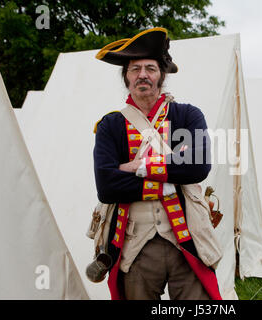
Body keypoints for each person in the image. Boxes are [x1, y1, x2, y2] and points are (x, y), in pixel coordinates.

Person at [93, 27, 222, 300]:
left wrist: (136, 167)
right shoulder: (111, 125)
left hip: (187, 238)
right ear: (126, 77)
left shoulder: (187, 115)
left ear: (161, 75)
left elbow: (198, 167)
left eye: (150, 68)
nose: (143, 74)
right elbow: (107, 185)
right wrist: (172, 174)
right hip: (133, 243)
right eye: (135, 68)